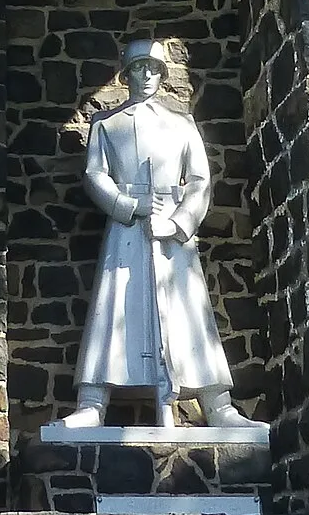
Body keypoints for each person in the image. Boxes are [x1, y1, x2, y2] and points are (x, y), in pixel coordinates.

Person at [62, 35, 267, 435]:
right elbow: (95, 174)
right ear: (127, 74)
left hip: (173, 233)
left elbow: (199, 180)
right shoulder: (107, 124)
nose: (147, 76)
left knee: (189, 312)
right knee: (114, 309)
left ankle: (217, 402)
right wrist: (130, 206)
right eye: (139, 68)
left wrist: (177, 222)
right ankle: (92, 402)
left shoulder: (181, 124)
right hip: (126, 228)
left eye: (154, 69)